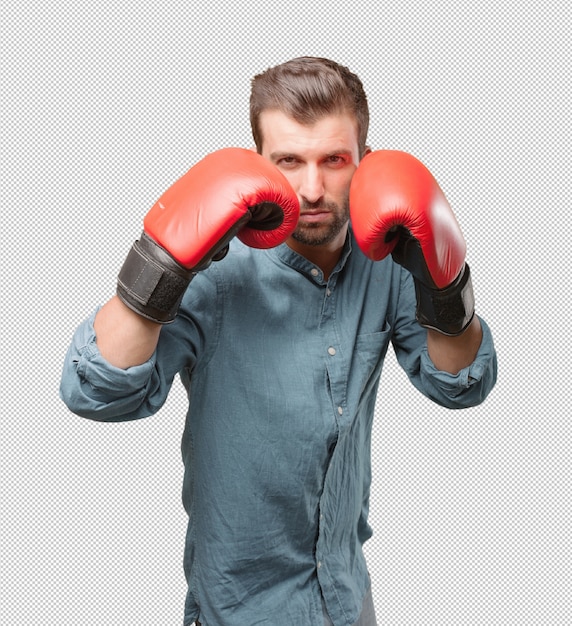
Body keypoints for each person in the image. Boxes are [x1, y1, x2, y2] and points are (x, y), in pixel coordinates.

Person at [60, 56, 497, 626]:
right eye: (289, 161)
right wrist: (160, 268)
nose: (312, 189)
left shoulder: (389, 258)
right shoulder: (217, 268)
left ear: (364, 162)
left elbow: (460, 384)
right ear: (259, 163)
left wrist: (445, 285)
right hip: (239, 607)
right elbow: (94, 392)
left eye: (334, 160)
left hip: (346, 597)